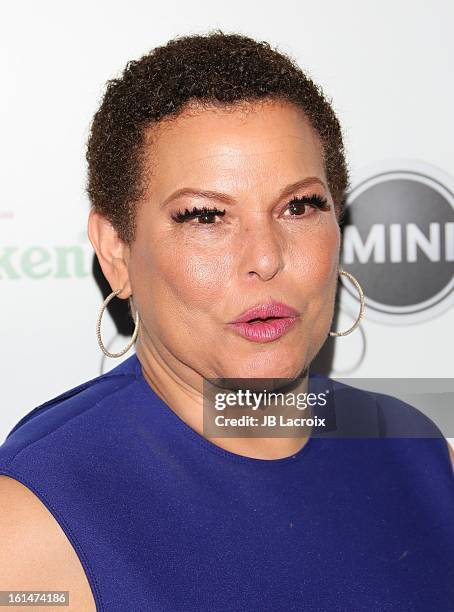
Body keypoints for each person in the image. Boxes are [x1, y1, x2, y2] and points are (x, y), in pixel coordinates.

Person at [0, 30, 453, 612]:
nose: (265, 257)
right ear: (116, 251)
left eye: (299, 206)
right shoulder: (35, 517)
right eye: (205, 216)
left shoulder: (416, 452)